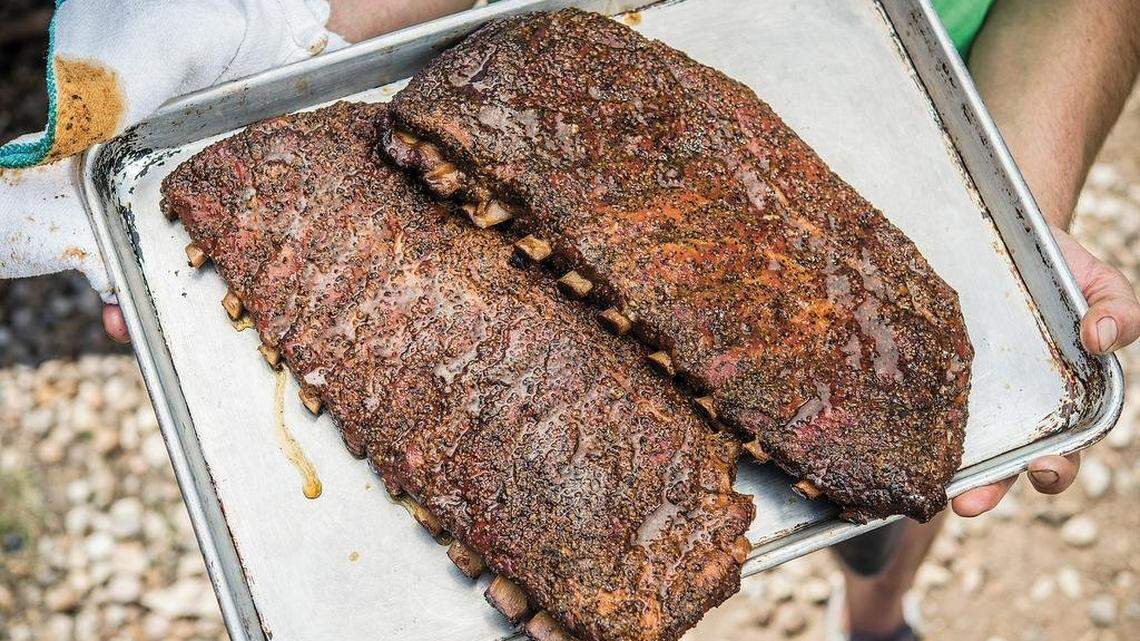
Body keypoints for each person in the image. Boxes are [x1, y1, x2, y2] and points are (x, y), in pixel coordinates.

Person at [11, 1, 1140, 640]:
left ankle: (877, 612)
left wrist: (1014, 204)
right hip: (523, 56)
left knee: (899, 482)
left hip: (903, 74)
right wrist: (318, 20)